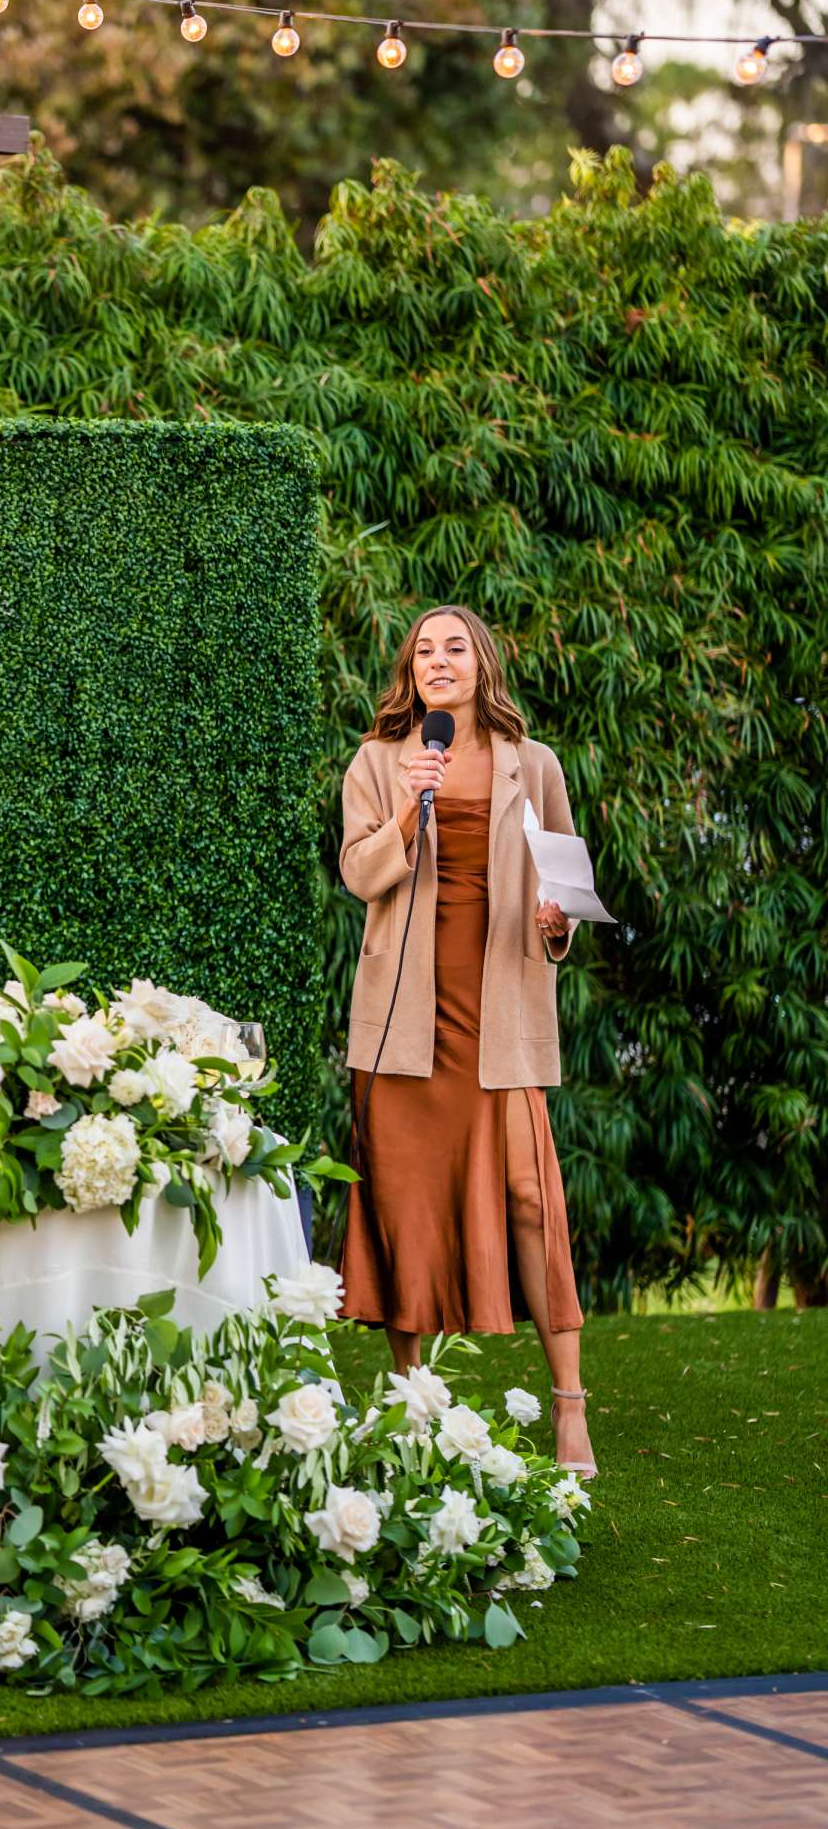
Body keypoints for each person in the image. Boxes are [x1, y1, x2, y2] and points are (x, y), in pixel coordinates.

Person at [338, 607, 597, 1478]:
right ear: (408, 673)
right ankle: (415, 1406)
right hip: (405, 1022)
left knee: (532, 1201)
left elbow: (565, 886)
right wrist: (412, 807)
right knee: (404, 1211)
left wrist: (559, 925)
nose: (438, 662)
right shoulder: (380, 762)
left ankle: (570, 1408)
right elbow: (360, 874)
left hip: (500, 1019)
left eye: (455, 648)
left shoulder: (538, 765)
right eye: (423, 651)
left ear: (482, 665)